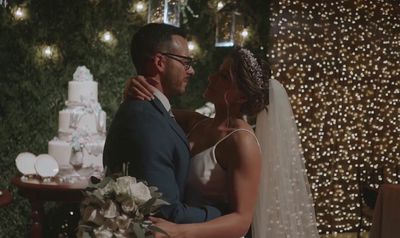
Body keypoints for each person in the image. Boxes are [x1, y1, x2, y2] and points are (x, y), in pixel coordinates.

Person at [127, 47, 320, 238]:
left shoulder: (241, 141)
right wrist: (134, 86)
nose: (211, 78)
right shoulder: (194, 122)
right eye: (218, 72)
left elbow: (242, 220)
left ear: (242, 96)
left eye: (224, 77)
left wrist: (179, 232)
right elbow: (151, 111)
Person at [103, 23, 222, 223]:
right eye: (185, 62)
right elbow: (165, 212)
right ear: (159, 62)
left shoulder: (154, 113)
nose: (191, 70)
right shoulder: (146, 122)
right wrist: (223, 213)